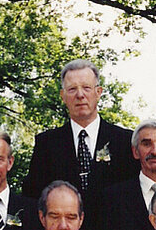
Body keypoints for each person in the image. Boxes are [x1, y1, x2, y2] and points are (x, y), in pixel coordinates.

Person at [22, 59, 138, 205]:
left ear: (98, 92)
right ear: (63, 96)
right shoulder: (46, 144)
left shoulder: (125, 140)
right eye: (72, 89)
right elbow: (32, 198)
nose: (80, 95)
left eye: (86, 88)